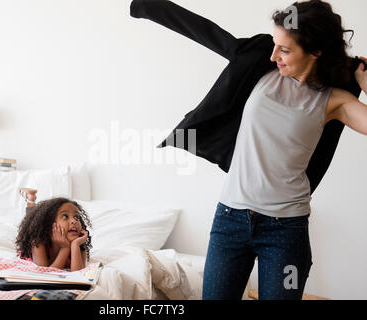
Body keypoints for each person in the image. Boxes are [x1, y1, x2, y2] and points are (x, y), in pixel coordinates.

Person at [130, 0, 367, 300]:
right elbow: (207, 32)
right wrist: (145, 6)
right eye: (274, 44)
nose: (273, 55)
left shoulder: (334, 100)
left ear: (316, 50)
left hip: (286, 231)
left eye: (284, 49)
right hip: (230, 220)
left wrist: (365, 82)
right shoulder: (259, 66)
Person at [15, 188, 92, 271]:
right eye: (65, 216)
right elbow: (46, 274)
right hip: (38, 232)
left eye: (76, 217)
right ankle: (30, 199)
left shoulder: (79, 244)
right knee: (32, 218)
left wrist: (75, 245)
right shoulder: (37, 242)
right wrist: (65, 248)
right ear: (50, 223)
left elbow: (78, 275)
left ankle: (31, 199)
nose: (74, 221)